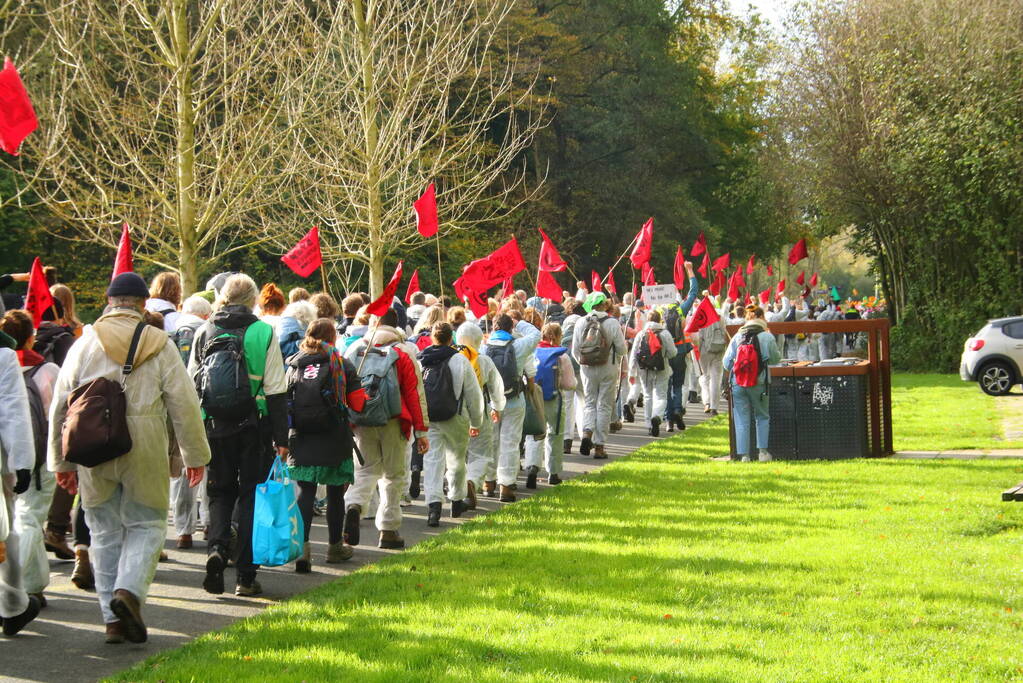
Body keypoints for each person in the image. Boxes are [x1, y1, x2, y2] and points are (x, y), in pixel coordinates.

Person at [48, 272, 210, 643]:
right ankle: (130, 592)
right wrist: (195, 455)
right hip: (145, 441)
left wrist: (61, 462)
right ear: (141, 304)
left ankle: (112, 620)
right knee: (148, 523)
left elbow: (60, 406)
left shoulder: (84, 343)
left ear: (109, 301)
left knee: (103, 531)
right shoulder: (158, 342)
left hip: (92, 446)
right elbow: (184, 403)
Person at [189, 274, 287, 598]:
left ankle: (216, 547)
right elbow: (275, 388)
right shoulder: (263, 331)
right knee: (250, 496)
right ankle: (246, 575)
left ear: (224, 297)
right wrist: (281, 437)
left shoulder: (205, 331)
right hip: (253, 426)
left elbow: (193, 385)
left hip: (214, 426)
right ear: (253, 299)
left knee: (219, 493)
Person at [343, 308, 428, 550]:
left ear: (373, 323)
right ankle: (388, 530)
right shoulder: (405, 352)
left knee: (364, 471)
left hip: (361, 419)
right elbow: (415, 394)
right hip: (393, 420)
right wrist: (421, 431)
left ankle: (354, 505)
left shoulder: (355, 349)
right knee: (393, 475)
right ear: (397, 325)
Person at [285, 319, 362, 572]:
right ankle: (334, 547)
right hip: (333, 435)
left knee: (305, 492)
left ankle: (303, 551)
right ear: (333, 338)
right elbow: (358, 404)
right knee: (334, 492)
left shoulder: (294, 363)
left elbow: (285, 399)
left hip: (301, 434)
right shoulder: (341, 363)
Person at [2, 311, 61, 609]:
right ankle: (14, 592)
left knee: (23, 519)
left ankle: (35, 585)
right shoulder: (47, 370)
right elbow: (57, 413)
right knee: (27, 520)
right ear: (30, 337)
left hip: (8, 455)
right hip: (38, 456)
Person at [417, 322, 483, 525]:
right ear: (450, 338)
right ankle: (456, 500)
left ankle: (433, 506)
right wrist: (477, 421)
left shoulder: (422, 360)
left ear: (432, 338)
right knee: (456, 459)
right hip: (455, 416)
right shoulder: (460, 360)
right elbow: (473, 394)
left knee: (432, 461)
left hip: (430, 417)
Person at [0, 327, 42, 637]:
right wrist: (23, 461)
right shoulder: (3, 355)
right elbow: (12, 410)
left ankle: (12, 603)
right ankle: (12, 604)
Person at [168, 295, 213, 550]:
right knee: (207, 466)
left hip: (178, 409)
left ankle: (184, 529)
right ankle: (208, 522)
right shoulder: (210, 334)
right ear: (206, 315)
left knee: (185, 471)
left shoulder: (171, 336)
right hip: (207, 408)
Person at [482, 313, 540, 502]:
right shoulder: (518, 346)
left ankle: (488, 482)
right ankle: (506, 485)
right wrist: (520, 323)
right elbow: (536, 334)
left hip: (491, 401)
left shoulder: (484, 348)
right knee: (510, 442)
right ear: (510, 329)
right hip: (514, 399)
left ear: (493, 328)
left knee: (491, 440)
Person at [723, 304, 782, 463]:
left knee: (741, 418)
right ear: (762, 318)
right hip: (759, 382)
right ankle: (762, 453)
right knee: (762, 416)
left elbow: (726, 363)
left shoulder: (737, 336)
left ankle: (745, 456)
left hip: (738, 383)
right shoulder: (767, 336)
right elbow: (776, 360)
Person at [572, 293, 626, 459]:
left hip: (587, 368)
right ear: (605, 304)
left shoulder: (581, 322)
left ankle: (587, 432)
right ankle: (600, 446)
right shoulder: (612, 323)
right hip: (607, 367)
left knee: (589, 402)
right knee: (604, 405)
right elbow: (622, 349)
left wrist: (584, 363)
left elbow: (575, 350)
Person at [455, 323, 505, 501]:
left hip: (454, 412)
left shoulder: (451, 358)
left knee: (457, 453)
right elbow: (496, 387)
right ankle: (472, 481)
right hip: (479, 410)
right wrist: (497, 408)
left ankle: (457, 489)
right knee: (482, 453)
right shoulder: (484, 361)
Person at [526, 323, 576, 486]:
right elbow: (569, 384)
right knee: (555, 434)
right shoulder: (561, 356)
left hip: (534, 398)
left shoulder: (531, 353)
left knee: (534, 433)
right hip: (554, 399)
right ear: (558, 336)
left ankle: (532, 466)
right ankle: (553, 472)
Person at [628, 309, 677, 437]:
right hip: (662, 368)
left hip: (644, 369)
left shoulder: (641, 334)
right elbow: (672, 353)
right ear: (659, 319)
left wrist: (632, 371)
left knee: (648, 395)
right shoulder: (665, 333)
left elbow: (634, 354)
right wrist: (664, 354)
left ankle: (649, 424)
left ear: (648, 320)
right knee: (660, 395)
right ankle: (657, 416)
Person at [695, 293, 729, 415]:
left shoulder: (701, 317)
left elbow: (698, 337)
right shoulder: (720, 316)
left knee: (705, 377)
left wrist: (698, 349)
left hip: (705, 350)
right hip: (719, 348)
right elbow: (725, 331)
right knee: (716, 378)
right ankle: (714, 406)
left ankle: (707, 402)